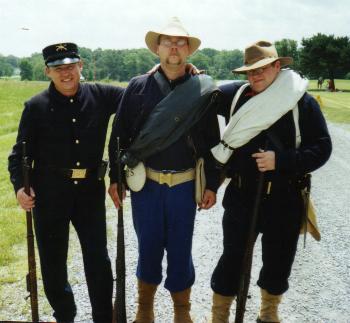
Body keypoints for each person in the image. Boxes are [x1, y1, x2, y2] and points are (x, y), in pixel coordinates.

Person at [209, 41, 332, 323]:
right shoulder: (236, 96)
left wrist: (283, 160)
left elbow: (322, 148)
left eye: (262, 69)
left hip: (285, 198)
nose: (255, 77)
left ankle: (268, 313)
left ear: (278, 66)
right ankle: (219, 316)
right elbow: (199, 89)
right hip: (242, 195)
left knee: (278, 262)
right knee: (232, 259)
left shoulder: (302, 102)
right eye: (250, 72)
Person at [108, 17, 221, 323]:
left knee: (181, 250)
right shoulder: (138, 87)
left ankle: (181, 311)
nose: (174, 46)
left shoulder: (203, 89)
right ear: (157, 48)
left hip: (185, 187)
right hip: (147, 186)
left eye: (180, 41)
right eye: (167, 41)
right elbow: (119, 136)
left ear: (188, 50)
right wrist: (115, 179)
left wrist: (212, 183)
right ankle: (145, 308)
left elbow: (213, 143)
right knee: (148, 248)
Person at [8, 42, 125, 323]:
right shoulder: (35, 107)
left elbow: (141, 94)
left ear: (81, 66)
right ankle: (65, 315)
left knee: (98, 259)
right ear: (48, 71)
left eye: (71, 66)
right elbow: (18, 154)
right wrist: (20, 188)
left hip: (89, 192)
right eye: (58, 68)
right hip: (49, 194)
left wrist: (163, 69)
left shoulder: (102, 95)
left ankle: (102, 316)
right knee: (52, 262)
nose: (66, 73)